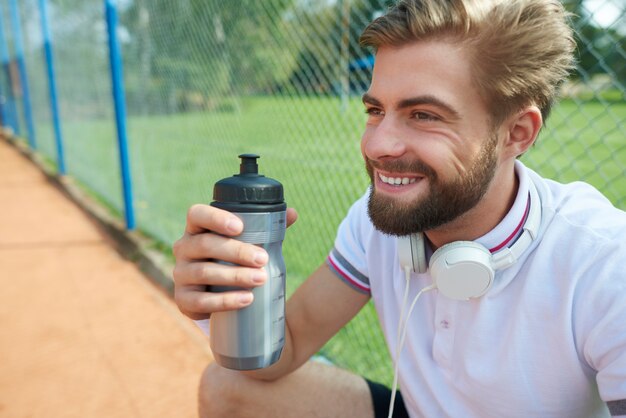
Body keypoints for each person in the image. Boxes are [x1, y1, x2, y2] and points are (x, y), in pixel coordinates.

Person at [172, 0, 626, 417]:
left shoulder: (605, 263)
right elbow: (281, 351)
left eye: (424, 115)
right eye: (375, 110)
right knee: (229, 385)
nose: (377, 144)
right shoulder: (378, 221)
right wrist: (227, 297)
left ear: (517, 133)